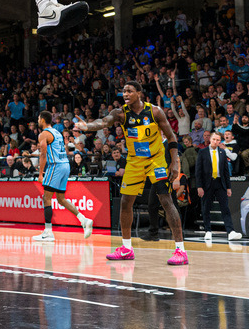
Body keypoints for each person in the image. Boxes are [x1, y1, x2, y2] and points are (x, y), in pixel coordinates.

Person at [79, 81, 188, 265]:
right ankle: (126, 248)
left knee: (166, 200)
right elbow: (104, 121)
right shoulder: (120, 113)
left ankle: (181, 251)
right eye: (124, 91)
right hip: (135, 162)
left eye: (129, 91)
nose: (125, 94)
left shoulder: (155, 112)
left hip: (156, 160)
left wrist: (175, 164)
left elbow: (171, 137)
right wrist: (88, 127)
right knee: (125, 202)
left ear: (139, 92)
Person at [32, 111, 93, 242]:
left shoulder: (44, 134)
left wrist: (41, 173)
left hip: (56, 165)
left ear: (42, 120)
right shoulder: (57, 132)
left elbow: (43, 154)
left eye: (38, 118)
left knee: (46, 197)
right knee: (61, 199)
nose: (37, 120)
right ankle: (84, 219)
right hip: (65, 164)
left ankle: (48, 232)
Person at [196, 132, 241, 241]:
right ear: (210, 140)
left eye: (218, 140)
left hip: (220, 182)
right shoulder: (202, 152)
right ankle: (208, 231)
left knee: (225, 207)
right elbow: (198, 171)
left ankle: (230, 231)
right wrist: (199, 186)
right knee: (206, 207)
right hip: (207, 183)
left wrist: (228, 187)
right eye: (214, 139)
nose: (215, 142)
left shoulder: (222, 152)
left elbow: (226, 171)